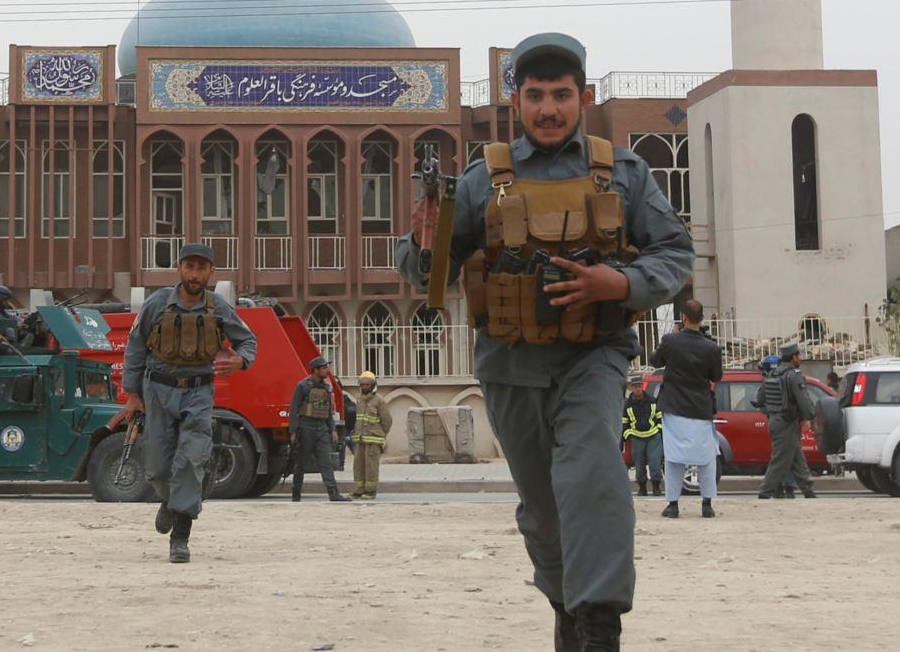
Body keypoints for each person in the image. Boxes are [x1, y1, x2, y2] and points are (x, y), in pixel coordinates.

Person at [398, 32, 693, 652]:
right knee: (543, 508)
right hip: (510, 362)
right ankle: (567, 602)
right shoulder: (483, 181)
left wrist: (621, 282)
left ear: (583, 97)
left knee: (592, 480)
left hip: (594, 356)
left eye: (562, 94)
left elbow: (675, 254)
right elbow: (433, 279)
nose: (550, 108)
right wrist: (424, 239)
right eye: (536, 95)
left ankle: (599, 621)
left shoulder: (625, 174)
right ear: (517, 100)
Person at [121, 243, 257, 563]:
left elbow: (247, 340)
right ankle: (169, 501)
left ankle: (180, 537)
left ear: (211, 272)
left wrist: (242, 361)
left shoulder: (218, 307)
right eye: (189, 267)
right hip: (157, 389)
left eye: (202, 268)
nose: (195, 274)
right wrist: (132, 394)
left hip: (198, 391)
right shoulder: (157, 304)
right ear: (180, 269)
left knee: (192, 460)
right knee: (156, 469)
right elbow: (135, 346)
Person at [650, 300, 723, 519]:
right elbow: (716, 377)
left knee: (673, 456)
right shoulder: (711, 347)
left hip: (673, 405)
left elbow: (655, 361)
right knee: (707, 456)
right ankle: (707, 504)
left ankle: (673, 505)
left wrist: (670, 337)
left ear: (683, 318)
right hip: (700, 407)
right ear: (702, 318)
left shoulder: (671, 341)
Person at [755, 341, 817, 499]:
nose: (800, 359)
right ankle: (765, 492)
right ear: (793, 357)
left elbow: (760, 398)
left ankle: (808, 489)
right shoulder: (794, 376)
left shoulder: (772, 374)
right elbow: (804, 400)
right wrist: (811, 417)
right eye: (799, 356)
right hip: (786, 423)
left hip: (775, 420)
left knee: (796, 456)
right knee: (780, 460)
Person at [290, 356, 349, 502]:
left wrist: (333, 430)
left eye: (326, 367)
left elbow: (328, 411)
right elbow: (294, 409)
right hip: (306, 427)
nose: (326, 370)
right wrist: (293, 432)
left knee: (326, 462)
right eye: (323, 368)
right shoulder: (303, 386)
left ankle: (333, 493)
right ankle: (296, 494)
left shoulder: (327, 387)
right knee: (301, 463)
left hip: (322, 428)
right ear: (315, 370)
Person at [351, 371, 392, 499]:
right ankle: (359, 490)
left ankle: (370, 491)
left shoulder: (379, 401)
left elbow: (387, 421)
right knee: (358, 466)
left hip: (374, 440)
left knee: (371, 467)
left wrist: (380, 434)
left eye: (367, 384)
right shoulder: (359, 400)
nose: (364, 387)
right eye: (362, 384)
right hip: (360, 439)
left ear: (373, 385)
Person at [621, 378, 663, 497]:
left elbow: (659, 417)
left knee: (655, 462)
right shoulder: (627, 405)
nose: (638, 388)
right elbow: (624, 422)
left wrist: (659, 430)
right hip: (636, 438)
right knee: (639, 465)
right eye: (635, 386)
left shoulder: (652, 401)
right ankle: (642, 488)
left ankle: (656, 487)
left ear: (642, 387)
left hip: (653, 436)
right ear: (631, 388)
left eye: (639, 386)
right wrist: (627, 434)